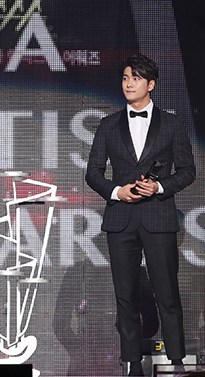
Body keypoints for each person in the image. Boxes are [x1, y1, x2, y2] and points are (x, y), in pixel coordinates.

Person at [86, 54, 195, 376]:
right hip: (121, 219)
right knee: (125, 296)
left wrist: (159, 187)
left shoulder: (172, 123)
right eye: (124, 78)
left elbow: (188, 171)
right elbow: (93, 173)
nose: (128, 83)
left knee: (167, 293)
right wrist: (117, 191)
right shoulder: (108, 125)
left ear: (151, 84)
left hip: (158, 216)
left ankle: (176, 360)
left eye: (135, 78)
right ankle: (131, 361)